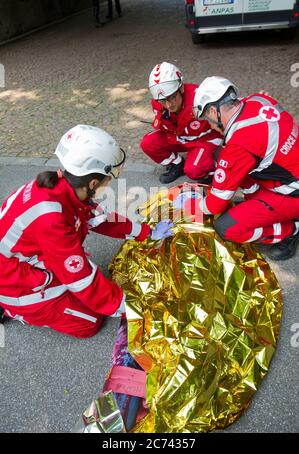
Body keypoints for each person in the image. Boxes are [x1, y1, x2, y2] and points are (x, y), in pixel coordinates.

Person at [0, 125, 173, 336]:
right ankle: (11, 309)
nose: (109, 184)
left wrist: (145, 232)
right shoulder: (51, 219)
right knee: (89, 322)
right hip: (14, 280)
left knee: (88, 291)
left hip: (26, 260)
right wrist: (132, 309)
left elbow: (99, 218)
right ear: (92, 182)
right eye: (109, 179)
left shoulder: (63, 187)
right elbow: (82, 281)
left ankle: (50, 286)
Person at [177, 76, 299, 261]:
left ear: (212, 110)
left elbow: (214, 204)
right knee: (221, 155)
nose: (210, 126)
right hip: (288, 172)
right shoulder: (259, 99)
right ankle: (255, 197)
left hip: (292, 193)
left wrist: (191, 206)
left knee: (227, 228)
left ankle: (292, 229)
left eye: (207, 119)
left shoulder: (239, 145)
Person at [140, 62, 223, 184]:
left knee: (194, 171)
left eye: (172, 97)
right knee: (148, 143)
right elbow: (165, 127)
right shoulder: (158, 103)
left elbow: (222, 124)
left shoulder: (200, 98)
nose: (168, 105)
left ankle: (212, 168)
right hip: (180, 137)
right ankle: (177, 164)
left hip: (204, 139)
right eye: (163, 100)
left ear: (181, 88)